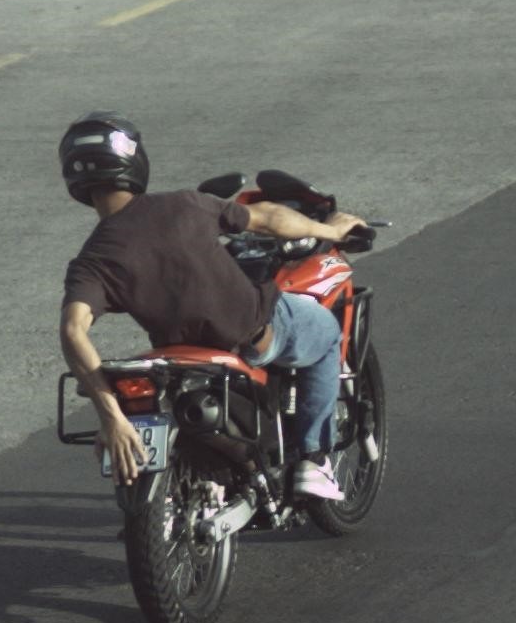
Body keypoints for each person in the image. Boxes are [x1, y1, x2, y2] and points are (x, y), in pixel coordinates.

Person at [58, 111, 366, 499]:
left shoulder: (91, 260)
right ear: (133, 160)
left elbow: (73, 331)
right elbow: (269, 219)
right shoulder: (184, 205)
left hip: (177, 357)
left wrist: (112, 417)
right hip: (251, 336)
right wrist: (330, 229)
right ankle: (314, 460)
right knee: (324, 332)